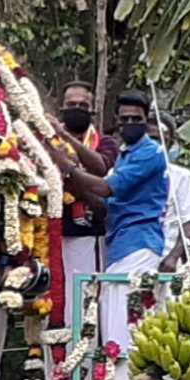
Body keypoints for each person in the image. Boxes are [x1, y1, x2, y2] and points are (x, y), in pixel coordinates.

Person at [51, 90, 167, 380]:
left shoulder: (150, 153)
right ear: (116, 121)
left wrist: (68, 166)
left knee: (123, 331)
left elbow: (104, 187)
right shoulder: (126, 154)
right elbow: (103, 207)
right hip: (119, 248)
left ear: (146, 121)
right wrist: (70, 181)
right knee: (112, 328)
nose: (129, 123)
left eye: (136, 119)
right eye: (124, 119)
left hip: (139, 247)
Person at [49, 81, 119, 318]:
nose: (76, 109)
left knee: (85, 307)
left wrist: (65, 146)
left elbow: (101, 169)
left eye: (82, 105)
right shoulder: (46, 141)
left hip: (88, 236)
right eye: (71, 105)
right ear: (61, 107)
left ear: (93, 110)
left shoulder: (106, 144)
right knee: (52, 308)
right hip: (51, 236)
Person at [148, 114, 190, 271]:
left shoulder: (181, 177)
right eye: (151, 139)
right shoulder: (123, 173)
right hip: (130, 263)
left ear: (170, 144)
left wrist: (174, 258)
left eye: (161, 140)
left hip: (166, 266)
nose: (156, 145)